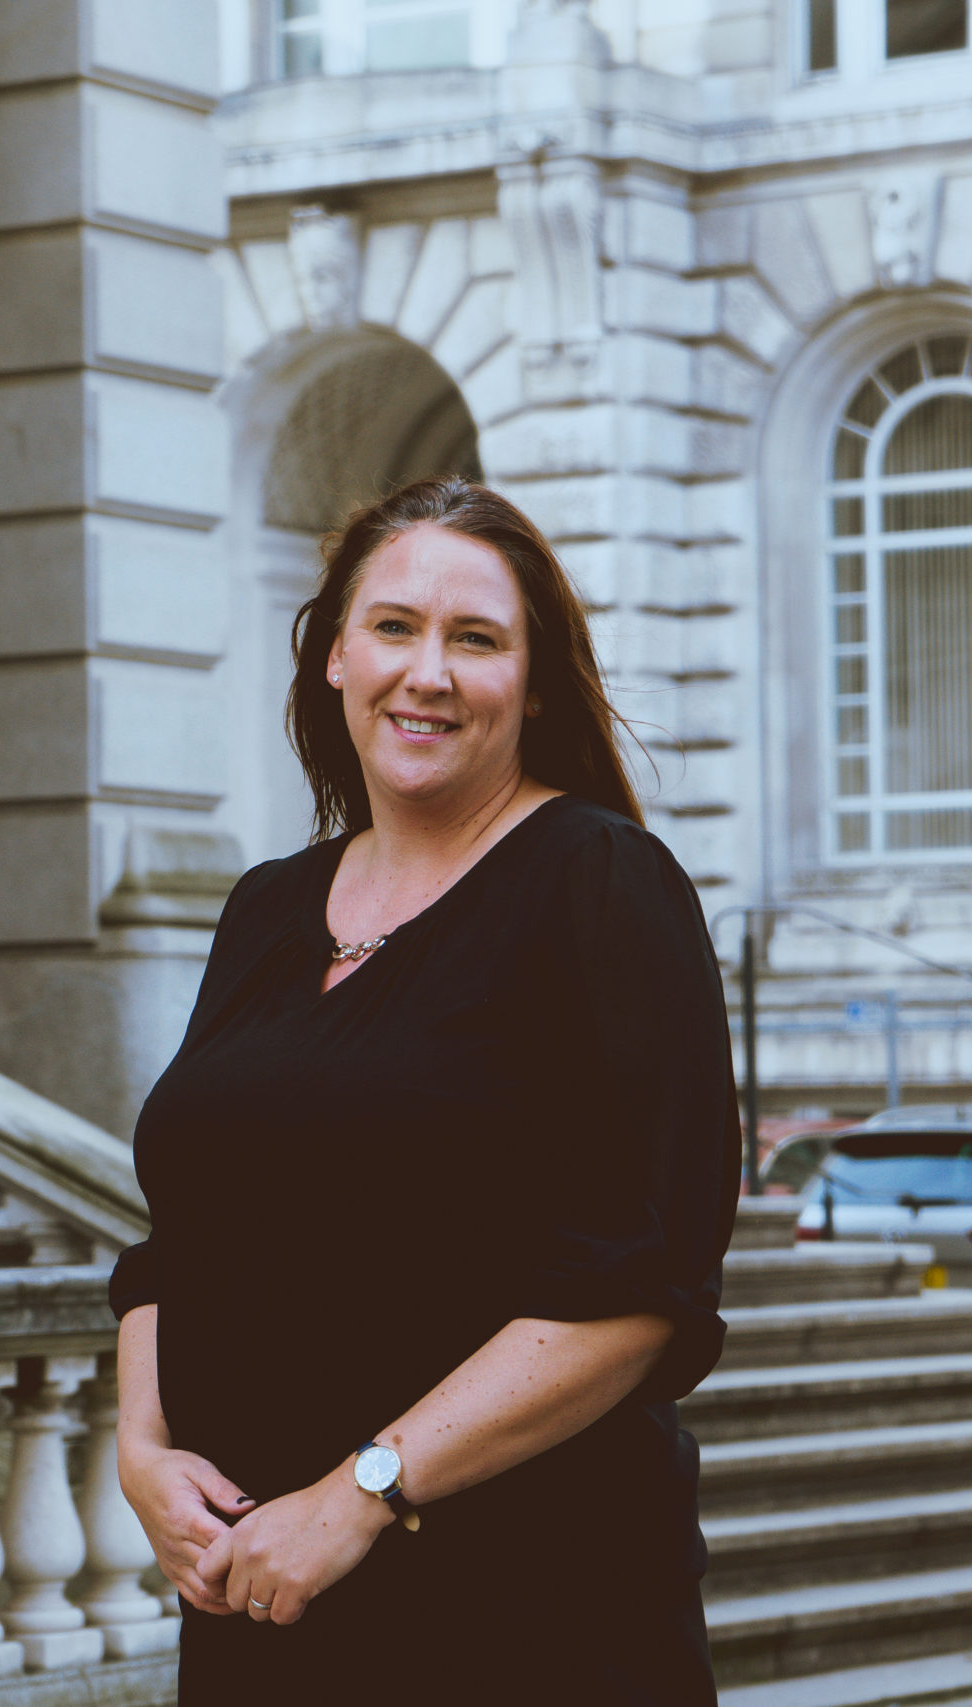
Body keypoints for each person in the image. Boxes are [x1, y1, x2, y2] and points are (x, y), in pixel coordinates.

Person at [108, 476, 740, 1703]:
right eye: (393, 627)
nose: (428, 673)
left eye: (477, 639)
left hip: (526, 1605)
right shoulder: (265, 909)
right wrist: (144, 1450)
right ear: (335, 655)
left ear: (535, 682)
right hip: (260, 1587)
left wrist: (360, 1494)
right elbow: (176, 1237)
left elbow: (647, 1285)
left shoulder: (604, 883)